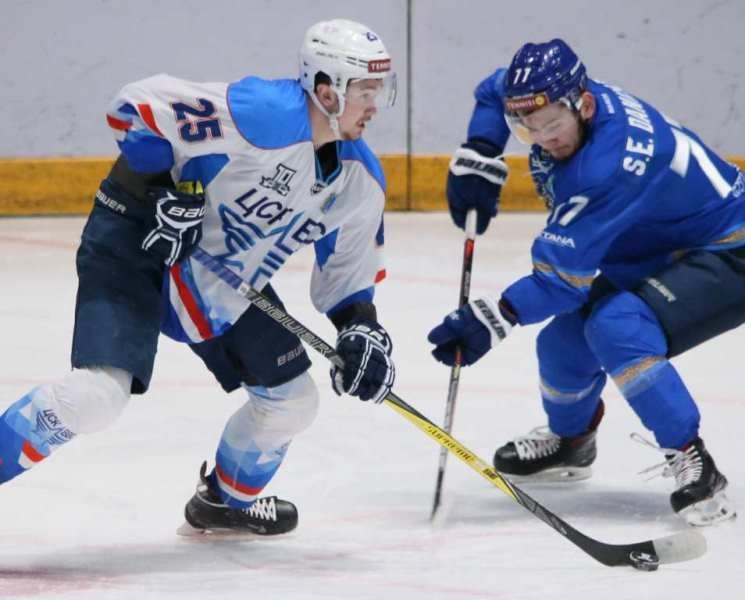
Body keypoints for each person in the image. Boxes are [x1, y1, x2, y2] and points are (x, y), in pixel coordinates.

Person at [0, 18, 397, 536]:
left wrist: (360, 328)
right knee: (98, 397)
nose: (374, 105)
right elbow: (137, 107)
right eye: (365, 91)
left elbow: (347, 280)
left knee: (293, 401)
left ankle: (223, 503)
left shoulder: (360, 183)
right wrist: (171, 191)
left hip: (221, 278)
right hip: (141, 239)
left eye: (378, 91)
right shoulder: (264, 113)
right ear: (327, 91)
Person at [428, 38, 744, 526]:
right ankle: (571, 445)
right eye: (527, 128)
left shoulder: (607, 167)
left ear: (585, 105)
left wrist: (495, 316)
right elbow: (494, 91)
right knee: (563, 345)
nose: (542, 139)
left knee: (616, 326)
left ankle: (695, 461)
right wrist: (482, 148)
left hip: (730, 248)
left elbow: (561, 283)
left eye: (552, 125)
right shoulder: (554, 95)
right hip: (660, 241)